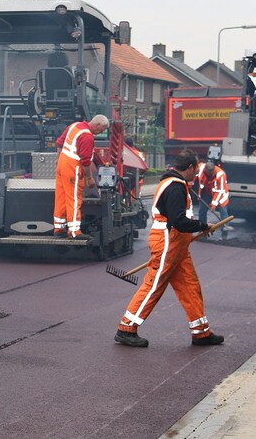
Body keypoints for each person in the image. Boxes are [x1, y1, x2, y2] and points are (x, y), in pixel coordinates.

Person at [114, 149, 224, 348]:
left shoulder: (174, 183)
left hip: (177, 244)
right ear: (190, 167)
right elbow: (179, 221)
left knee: (190, 286)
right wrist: (202, 226)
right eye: (196, 169)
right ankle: (126, 328)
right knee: (154, 285)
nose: (196, 174)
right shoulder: (175, 186)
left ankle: (201, 332)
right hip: (168, 241)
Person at [53, 115, 110, 239]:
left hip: (62, 164)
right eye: (102, 129)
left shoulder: (74, 126)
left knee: (61, 197)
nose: (100, 132)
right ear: (98, 125)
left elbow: (59, 143)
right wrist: (89, 178)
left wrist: (58, 161)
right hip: (73, 167)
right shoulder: (87, 136)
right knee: (73, 198)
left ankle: (59, 227)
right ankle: (74, 232)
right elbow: (85, 161)